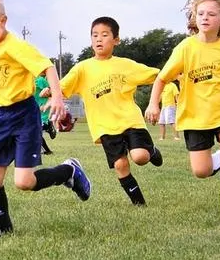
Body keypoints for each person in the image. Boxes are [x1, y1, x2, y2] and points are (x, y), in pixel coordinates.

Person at [0, 0, 91, 237]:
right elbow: (1, 80)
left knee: (24, 182)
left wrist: (57, 97)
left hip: (23, 116)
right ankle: (2, 229)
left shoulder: (15, 46)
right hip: (0, 118)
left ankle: (69, 171)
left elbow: (47, 67)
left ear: (2, 21)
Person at [145, 0, 220, 218]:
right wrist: (153, 104)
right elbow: (162, 78)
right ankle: (219, 159)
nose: (205, 17)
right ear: (194, 18)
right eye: (201, 13)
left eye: (211, 14)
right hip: (195, 116)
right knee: (201, 171)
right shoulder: (185, 48)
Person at [60, 17, 163, 206]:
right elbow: (63, 87)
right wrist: (51, 90)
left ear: (116, 40)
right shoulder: (82, 68)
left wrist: (177, 73)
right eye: (94, 35)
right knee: (120, 164)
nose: (99, 39)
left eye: (104, 35)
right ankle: (139, 203)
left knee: (139, 157)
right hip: (104, 126)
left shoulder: (125, 65)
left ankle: (152, 150)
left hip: (130, 120)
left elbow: (157, 75)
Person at [34, 75, 55, 155]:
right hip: (34, 110)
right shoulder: (26, 81)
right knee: (34, 131)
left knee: (35, 132)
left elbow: (53, 92)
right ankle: (47, 127)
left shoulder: (40, 80)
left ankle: (47, 151)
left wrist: (47, 104)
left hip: (42, 110)